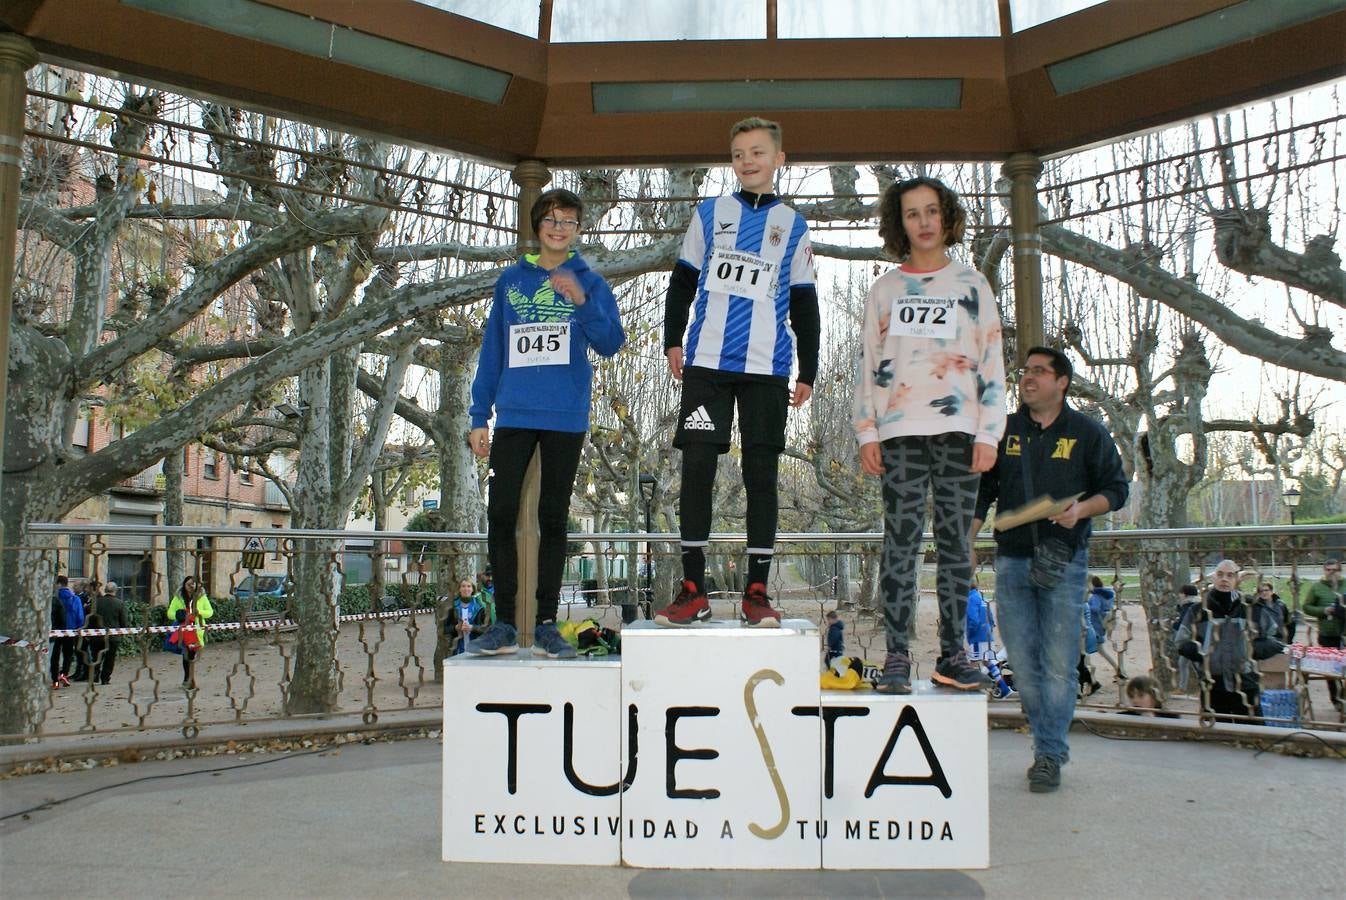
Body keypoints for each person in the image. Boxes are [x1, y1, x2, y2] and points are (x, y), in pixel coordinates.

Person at [655, 116, 820, 629]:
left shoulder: (793, 225)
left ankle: (757, 593)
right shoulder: (709, 214)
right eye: (738, 154)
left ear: (778, 160)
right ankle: (692, 589)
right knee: (698, 471)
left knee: (761, 477)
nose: (747, 161)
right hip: (706, 362)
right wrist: (672, 340)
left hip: (767, 368)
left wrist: (808, 371)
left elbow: (806, 304)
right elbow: (682, 282)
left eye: (757, 152)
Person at [852, 176, 1006, 693]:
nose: (923, 222)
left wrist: (990, 432)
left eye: (931, 211)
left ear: (947, 217)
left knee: (956, 547)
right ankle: (897, 654)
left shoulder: (972, 285)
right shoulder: (885, 290)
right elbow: (869, 364)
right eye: (912, 213)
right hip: (899, 433)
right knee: (900, 544)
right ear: (900, 223)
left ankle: (953, 654)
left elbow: (991, 360)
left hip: (960, 433)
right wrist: (866, 431)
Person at [467, 188, 625, 659]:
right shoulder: (511, 280)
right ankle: (505, 624)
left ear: (578, 228)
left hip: (566, 415)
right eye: (551, 219)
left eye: (569, 221)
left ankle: (545, 623)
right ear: (537, 225)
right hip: (514, 413)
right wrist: (480, 414)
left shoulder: (590, 280)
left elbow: (612, 342)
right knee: (500, 515)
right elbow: (493, 347)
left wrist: (582, 301)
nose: (559, 227)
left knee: (553, 518)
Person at [972, 345, 1129, 794]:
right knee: (1022, 660)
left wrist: (1081, 510)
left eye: (1040, 371)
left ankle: (1048, 753)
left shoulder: (1087, 433)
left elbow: (1117, 489)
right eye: (1025, 371)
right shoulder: (1004, 430)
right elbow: (984, 487)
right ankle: (1047, 740)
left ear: (1062, 382)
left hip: (1064, 559)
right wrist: (970, 534)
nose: (1028, 378)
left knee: (1059, 663)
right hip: (1012, 559)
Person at [1175, 560, 1261, 722]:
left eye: (1230, 575)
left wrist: (1250, 652)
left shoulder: (1250, 608)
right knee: (1216, 735)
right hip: (1212, 683)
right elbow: (1182, 641)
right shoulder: (1198, 610)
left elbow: (1272, 637)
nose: (1224, 579)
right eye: (1220, 574)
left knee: (1252, 731)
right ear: (1213, 578)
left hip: (1245, 681)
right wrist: (1205, 655)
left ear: (1237, 579)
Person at [1299, 558, 1343, 709]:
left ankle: (1343, 695)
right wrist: (1323, 611)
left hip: (1344, 633)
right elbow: (1306, 607)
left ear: (1340, 570)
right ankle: (1336, 700)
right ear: (1324, 571)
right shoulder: (1317, 587)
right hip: (1327, 633)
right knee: (1331, 670)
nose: (1332, 573)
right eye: (1328, 570)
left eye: (1335, 570)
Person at [167, 576, 214, 688]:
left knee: (192, 655)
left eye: (193, 584)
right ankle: (188, 679)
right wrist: (179, 615)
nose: (190, 587)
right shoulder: (178, 598)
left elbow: (210, 612)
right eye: (188, 584)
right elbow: (170, 613)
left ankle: (189, 679)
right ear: (184, 585)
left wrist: (199, 612)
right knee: (186, 655)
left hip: (196, 631)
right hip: (183, 631)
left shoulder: (202, 597)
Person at [85, 581, 128, 686]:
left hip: (97, 636)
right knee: (110, 658)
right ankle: (105, 678)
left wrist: (89, 632)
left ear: (105, 590)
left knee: (96, 656)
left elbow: (90, 619)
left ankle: (95, 674)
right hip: (113, 637)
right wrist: (123, 632)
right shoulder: (119, 603)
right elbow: (123, 621)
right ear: (115, 591)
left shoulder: (96, 603)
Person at [50, 575, 83, 689]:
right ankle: (64, 674)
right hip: (71, 631)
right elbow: (80, 616)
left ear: (58, 584)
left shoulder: (54, 598)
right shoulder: (75, 598)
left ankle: (55, 681)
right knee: (68, 654)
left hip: (56, 631)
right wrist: (79, 626)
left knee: (55, 656)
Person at [445, 579, 488, 656]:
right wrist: (455, 628)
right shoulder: (453, 607)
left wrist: (473, 628)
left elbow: (488, 629)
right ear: (459, 589)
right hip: (457, 651)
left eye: (469, 586)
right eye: (463, 586)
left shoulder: (480, 607)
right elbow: (444, 629)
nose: (466, 589)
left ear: (472, 589)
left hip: (476, 651)